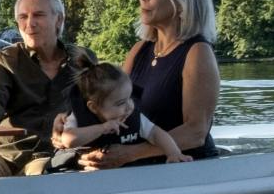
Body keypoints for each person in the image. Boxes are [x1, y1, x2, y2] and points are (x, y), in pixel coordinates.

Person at [82, 0, 220, 167]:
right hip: (142, 166)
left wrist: (130, 153)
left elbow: (195, 132)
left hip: (187, 169)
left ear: (182, 1)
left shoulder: (197, 52)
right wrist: (73, 125)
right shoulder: (139, 50)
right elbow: (114, 106)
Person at [0, 0, 90, 175]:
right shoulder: (6, 60)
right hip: (8, 154)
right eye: (23, 17)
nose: (30, 23)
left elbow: (102, 102)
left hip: (57, 154)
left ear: (58, 19)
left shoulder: (82, 60)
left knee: (47, 172)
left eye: (38, 15)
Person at [44, 54, 189, 171]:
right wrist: (102, 128)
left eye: (129, 98)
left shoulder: (132, 117)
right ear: (94, 107)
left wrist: (174, 153)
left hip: (122, 174)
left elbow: (156, 134)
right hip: (82, 172)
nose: (128, 107)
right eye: (120, 103)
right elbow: (69, 140)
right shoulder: (80, 117)